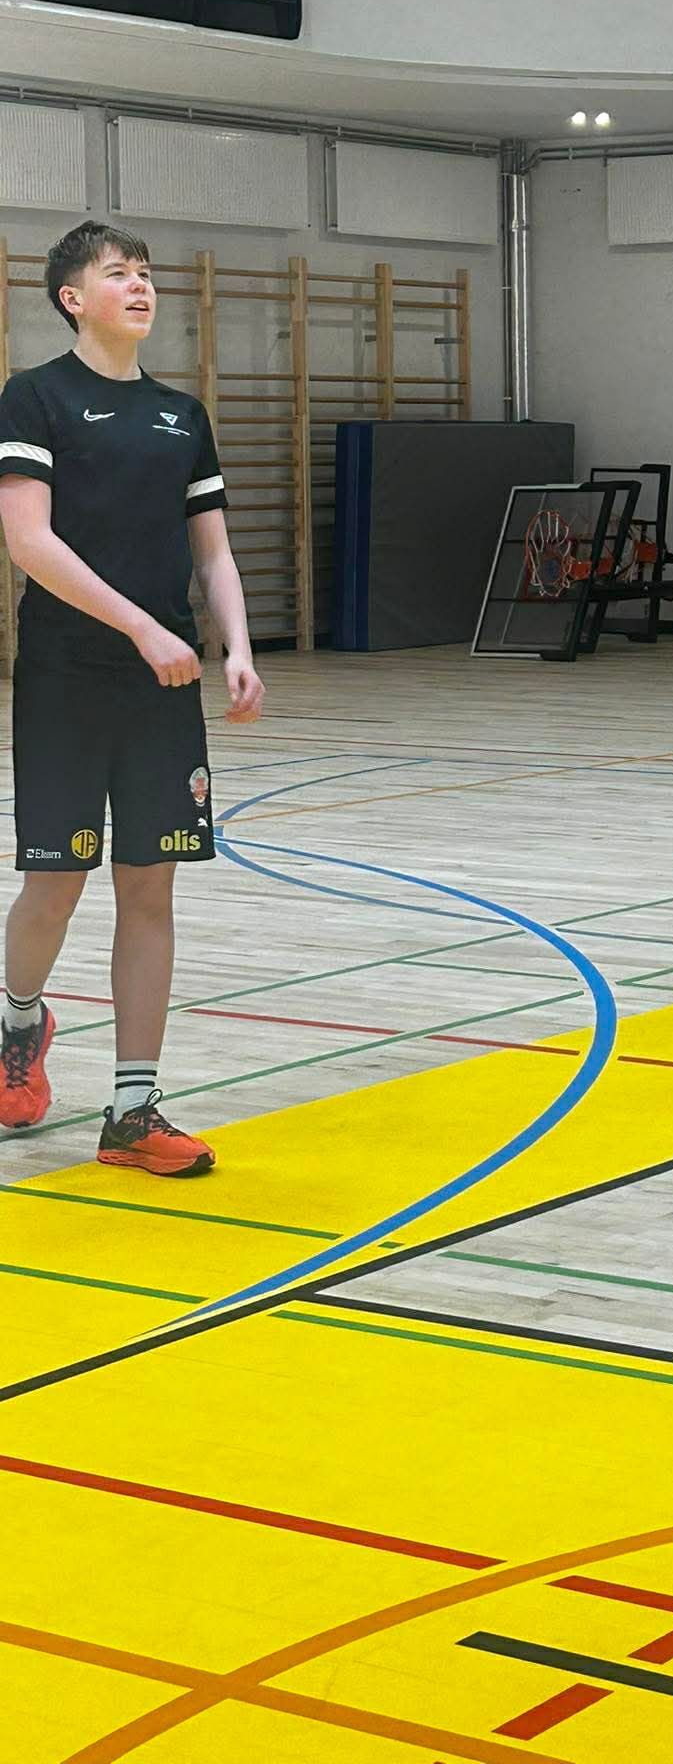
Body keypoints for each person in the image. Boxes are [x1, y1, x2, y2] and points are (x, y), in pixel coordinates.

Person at [0, 221, 264, 1175]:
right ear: (73, 298)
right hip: (66, 682)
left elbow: (213, 550)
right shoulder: (34, 397)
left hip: (164, 690)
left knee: (150, 886)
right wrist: (140, 626)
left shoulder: (181, 415)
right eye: (119, 274)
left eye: (146, 274)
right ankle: (18, 1022)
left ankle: (133, 1111)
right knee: (56, 885)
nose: (142, 286)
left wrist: (237, 646)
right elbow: (29, 541)